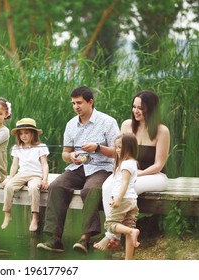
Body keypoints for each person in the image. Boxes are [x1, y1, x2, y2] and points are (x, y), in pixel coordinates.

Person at [36, 86, 119, 253]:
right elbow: (65, 154)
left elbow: (118, 152)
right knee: (56, 186)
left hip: (102, 168)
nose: (76, 107)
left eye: (79, 103)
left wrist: (97, 148)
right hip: (78, 166)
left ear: (90, 102)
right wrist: (71, 156)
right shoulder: (70, 125)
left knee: (91, 189)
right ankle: (55, 239)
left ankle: (85, 238)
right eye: (73, 103)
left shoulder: (108, 122)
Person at [94, 90, 170, 250]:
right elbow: (120, 154)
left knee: (128, 187)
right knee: (107, 186)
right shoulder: (127, 125)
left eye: (140, 108)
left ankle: (111, 236)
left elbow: (159, 164)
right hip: (128, 171)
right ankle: (115, 235)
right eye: (134, 107)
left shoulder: (162, 130)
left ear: (151, 109)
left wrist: (137, 174)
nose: (136, 111)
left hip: (155, 176)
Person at [94, 133, 140, 260]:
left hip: (124, 200)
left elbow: (124, 182)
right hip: (132, 200)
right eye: (116, 147)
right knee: (129, 227)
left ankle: (132, 232)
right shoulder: (132, 163)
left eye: (120, 147)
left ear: (129, 148)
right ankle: (128, 260)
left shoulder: (125, 165)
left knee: (110, 225)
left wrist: (118, 199)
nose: (117, 150)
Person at [1, 118, 49, 232]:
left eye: (26, 133)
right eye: (21, 133)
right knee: (9, 186)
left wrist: (45, 180)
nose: (24, 136)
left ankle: (35, 216)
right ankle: (7, 213)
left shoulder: (41, 147)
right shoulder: (17, 148)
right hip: (21, 174)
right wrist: (10, 178)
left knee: (33, 188)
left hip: (35, 175)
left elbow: (44, 165)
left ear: (33, 133)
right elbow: (14, 165)